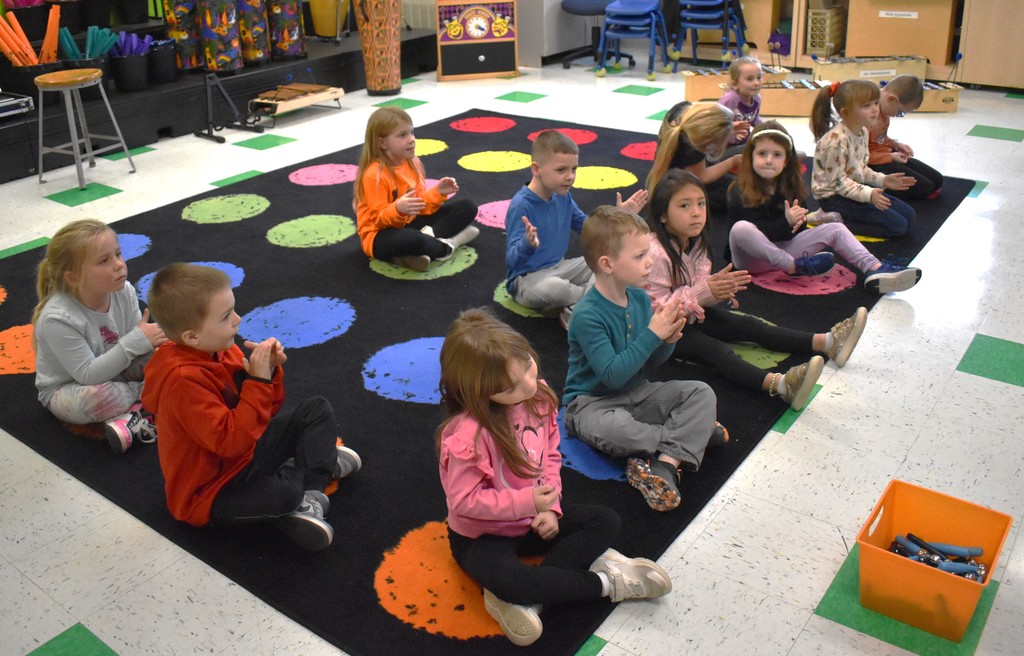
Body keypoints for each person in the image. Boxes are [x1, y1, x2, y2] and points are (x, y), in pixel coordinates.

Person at [437, 308, 672, 647]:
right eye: (511, 388)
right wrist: (526, 502)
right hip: (481, 535)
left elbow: (549, 455)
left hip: (533, 519)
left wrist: (551, 508)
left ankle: (528, 596)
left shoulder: (538, 396)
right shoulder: (466, 437)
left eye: (529, 367)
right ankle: (608, 584)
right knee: (510, 578)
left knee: (605, 520)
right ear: (479, 392)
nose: (530, 385)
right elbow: (464, 502)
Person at [143, 263, 361, 551]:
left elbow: (263, 414)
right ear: (191, 336)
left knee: (315, 409)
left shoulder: (221, 347)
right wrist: (257, 382)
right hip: (211, 490)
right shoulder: (182, 382)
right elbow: (230, 442)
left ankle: (307, 487)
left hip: (246, 452)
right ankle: (308, 476)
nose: (238, 319)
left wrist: (269, 373)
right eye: (225, 316)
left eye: (233, 309)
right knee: (283, 492)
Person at [648, 168, 868, 411]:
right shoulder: (655, 253)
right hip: (657, 333)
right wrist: (704, 292)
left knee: (750, 326)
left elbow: (699, 285)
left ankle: (827, 342)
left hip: (687, 315)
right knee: (714, 350)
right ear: (662, 216)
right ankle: (782, 386)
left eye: (701, 203)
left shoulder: (696, 242)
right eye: (684, 206)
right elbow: (655, 310)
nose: (697, 212)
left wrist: (717, 291)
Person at [562, 205, 722, 512]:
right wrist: (652, 334)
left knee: (701, 392)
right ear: (607, 264)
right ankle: (688, 438)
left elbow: (651, 362)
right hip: (591, 404)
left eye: (647, 252)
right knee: (618, 430)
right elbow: (612, 375)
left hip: (637, 392)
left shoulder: (637, 296)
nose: (649, 262)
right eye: (639, 257)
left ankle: (665, 463)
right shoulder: (587, 315)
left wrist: (666, 340)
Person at [729, 122, 922, 294]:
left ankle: (874, 268)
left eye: (777, 154)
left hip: (783, 252)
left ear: (786, 160)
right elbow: (750, 239)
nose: (769, 160)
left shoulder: (791, 187)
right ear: (750, 157)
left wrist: (797, 223)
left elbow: (795, 233)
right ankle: (794, 266)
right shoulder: (738, 189)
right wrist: (785, 222)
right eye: (762, 154)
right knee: (741, 228)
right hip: (750, 260)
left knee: (835, 229)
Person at [32, 219, 165, 453]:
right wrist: (137, 341)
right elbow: (87, 375)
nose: (119, 265)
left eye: (118, 254)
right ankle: (147, 403)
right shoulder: (58, 318)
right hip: (71, 387)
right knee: (99, 398)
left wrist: (152, 344)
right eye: (104, 261)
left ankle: (134, 414)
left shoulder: (124, 291)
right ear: (72, 278)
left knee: (167, 357)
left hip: (116, 368)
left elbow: (136, 348)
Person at [505, 129, 647, 327]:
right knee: (554, 288)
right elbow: (511, 259)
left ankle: (577, 308)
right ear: (536, 169)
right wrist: (527, 244)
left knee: (606, 263)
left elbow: (588, 228)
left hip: (560, 267)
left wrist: (619, 217)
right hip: (527, 282)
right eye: (561, 170)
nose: (570, 177)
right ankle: (593, 304)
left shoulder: (563, 196)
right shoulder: (521, 205)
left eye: (574, 169)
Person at [354, 106, 480, 272]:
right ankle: (450, 244)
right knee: (412, 239)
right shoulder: (374, 175)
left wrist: (437, 193)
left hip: (412, 224)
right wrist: (398, 209)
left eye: (412, 133)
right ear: (382, 143)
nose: (411, 139)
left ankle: (414, 252)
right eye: (402, 135)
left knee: (468, 206)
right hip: (379, 235)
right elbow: (379, 220)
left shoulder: (413, 162)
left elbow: (421, 207)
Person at [810, 80, 918, 239]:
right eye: (867, 106)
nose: (875, 109)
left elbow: (860, 168)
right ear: (846, 112)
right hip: (833, 197)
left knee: (909, 215)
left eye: (875, 103)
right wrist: (869, 194)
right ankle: (827, 221)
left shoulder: (862, 132)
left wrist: (883, 180)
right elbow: (838, 183)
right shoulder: (836, 141)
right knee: (898, 227)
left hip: (854, 188)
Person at [648, 101, 740, 217]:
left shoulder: (680, 110)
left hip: (683, 168)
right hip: (679, 184)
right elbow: (702, 177)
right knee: (736, 191)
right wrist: (733, 162)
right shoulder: (692, 147)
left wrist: (727, 128)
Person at [868, 74, 944, 200]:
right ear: (891, 99)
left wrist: (895, 144)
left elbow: (879, 139)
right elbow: (858, 157)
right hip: (871, 165)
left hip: (884, 155)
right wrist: (890, 156)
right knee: (926, 188)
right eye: (900, 112)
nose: (897, 115)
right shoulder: (868, 118)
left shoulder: (885, 109)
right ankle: (869, 184)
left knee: (937, 180)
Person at [718, 56, 763, 155]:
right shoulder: (729, 99)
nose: (756, 83)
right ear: (735, 84)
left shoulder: (757, 98)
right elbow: (716, 127)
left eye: (759, 77)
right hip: (723, 147)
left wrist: (766, 129)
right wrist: (732, 136)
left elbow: (755, 120)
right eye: (750, 79)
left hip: (744, 142)